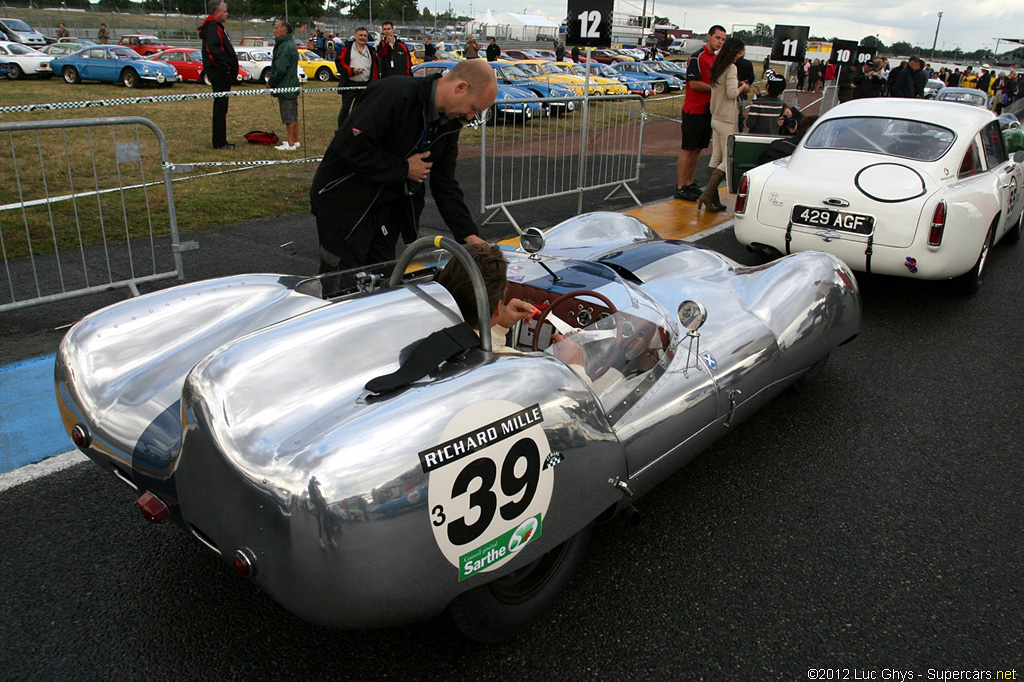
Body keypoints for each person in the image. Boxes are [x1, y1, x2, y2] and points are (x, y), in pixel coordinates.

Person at [310, 59, 497, 273]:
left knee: (382, 282)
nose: (471, 116)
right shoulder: (394, 94)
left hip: (388, 211)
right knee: (342, 285)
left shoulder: (450, 124)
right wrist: (403, 169)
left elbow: (444, 182)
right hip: (345, 206)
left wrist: (468, 234)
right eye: (473, 108)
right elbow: (349, 146)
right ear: (460, 87)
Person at [674, 25, 726, 202]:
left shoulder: (716, 59)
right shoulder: (698, 56)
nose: (720, 42)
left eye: (723, 39)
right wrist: (716, 89)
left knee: (698, 150)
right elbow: (694, 83)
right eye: (718, 38)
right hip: (694, 109)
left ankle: (689, 182)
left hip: (708, 110)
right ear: (709, 37)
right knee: (687, 149)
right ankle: (680, 186)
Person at [700, 37, 748, 212]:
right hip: (726, 118)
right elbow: (731, 93)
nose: (743, 54)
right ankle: (707, 195)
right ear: (735, 52)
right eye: (741, 51)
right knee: (727, 160)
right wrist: (743, 88)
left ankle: (713, 200)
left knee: (716, 158)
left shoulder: (718, 67)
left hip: (716, 117)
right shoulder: (731, 68)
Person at [199, 0, 239, 150]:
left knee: (222, 107)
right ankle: (219, 141)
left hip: (221, 72)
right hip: (219, 73)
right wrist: (226, 68)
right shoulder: (213, 28)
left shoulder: (216, 28)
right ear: (217, 13)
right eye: (224, 11)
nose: (226, 14)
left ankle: (220, 139)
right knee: (220, 107)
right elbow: (214, 51)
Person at [335, 26, 379, 128]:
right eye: (360, 35)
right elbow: (339, 62)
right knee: (345, 108)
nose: (363, 37)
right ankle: (341, 130)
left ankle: (355, 128)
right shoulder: (348, 47)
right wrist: (351, 71)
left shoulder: (371, 50)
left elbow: (376, 68)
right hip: (350, 83)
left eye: (365, 36)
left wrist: (373, 83)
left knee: (359, 109)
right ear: (355, 36)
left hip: (365, 85)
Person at [268, 20, 300, 151]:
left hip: (286, 85)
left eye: (276, 28)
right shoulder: (287, 44)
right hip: (290, 84)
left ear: (284, 31)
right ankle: (295, 140)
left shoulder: (285, 46)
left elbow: (281, 68)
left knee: (289, 115)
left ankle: (291, 143)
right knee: (293, 114)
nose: (274, 30)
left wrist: (271, 82)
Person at [745, 70, 787, 134]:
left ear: (768, 86)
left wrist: (758, 99)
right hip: (772, 138)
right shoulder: (781, 104)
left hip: (756, 138)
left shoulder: (757, 103)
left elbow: (749, 124)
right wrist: (759, 97)